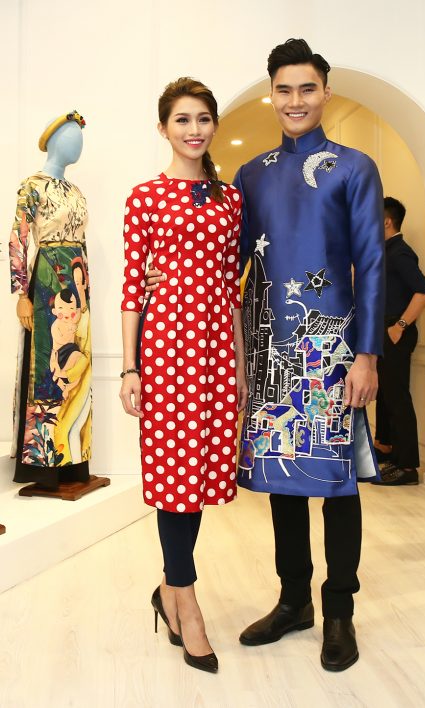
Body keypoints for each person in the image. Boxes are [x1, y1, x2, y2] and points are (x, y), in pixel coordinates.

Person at [146, 39, 385, 672]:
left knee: (337, 484)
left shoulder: (355, 168)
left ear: (325, 92)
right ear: (270, 94)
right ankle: (293, 601)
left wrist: (367, 355)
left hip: (333, 351)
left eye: (307, 88)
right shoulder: (250, 176)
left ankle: (339, 610)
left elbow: (372, 263)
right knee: (282, 481)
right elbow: (224, 260)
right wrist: (167, 287)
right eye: (284, 89)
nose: (295, 100)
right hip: (269, 349)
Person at [119, 77, 247, 674]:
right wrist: (130, 367)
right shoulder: (145, 197)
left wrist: (240, 365)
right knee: (174, 479)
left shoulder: (230, 199)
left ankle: (168, 588)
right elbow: (131, 289)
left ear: (214, 125)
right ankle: (186, 605)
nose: (194, 130)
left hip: (217, 352)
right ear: (163, 128)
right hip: (167, 353)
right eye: (182, 120)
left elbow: (231, 287)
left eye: (203, 119)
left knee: (198, 480)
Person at [9, 110, 92, 487]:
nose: (79, 145)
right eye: (73, 137)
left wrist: (85, 290)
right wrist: (20, 293)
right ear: (55, 141)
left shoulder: (76, 191)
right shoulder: (32, 186)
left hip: (77, 282)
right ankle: (42, 463)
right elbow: (17, 239)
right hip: (46, 281)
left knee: (77, 357)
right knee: (46, 362)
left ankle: (74, 456)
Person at [373, 197, 425, 485]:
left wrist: (399, 326)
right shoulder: (385, 251)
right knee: (385, 394)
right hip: (383, 332)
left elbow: (423, 291)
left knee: (397, 398)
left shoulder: (400, 252)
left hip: (395, 333)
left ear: (386, 221)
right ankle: (386, 449)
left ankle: (408, 467)